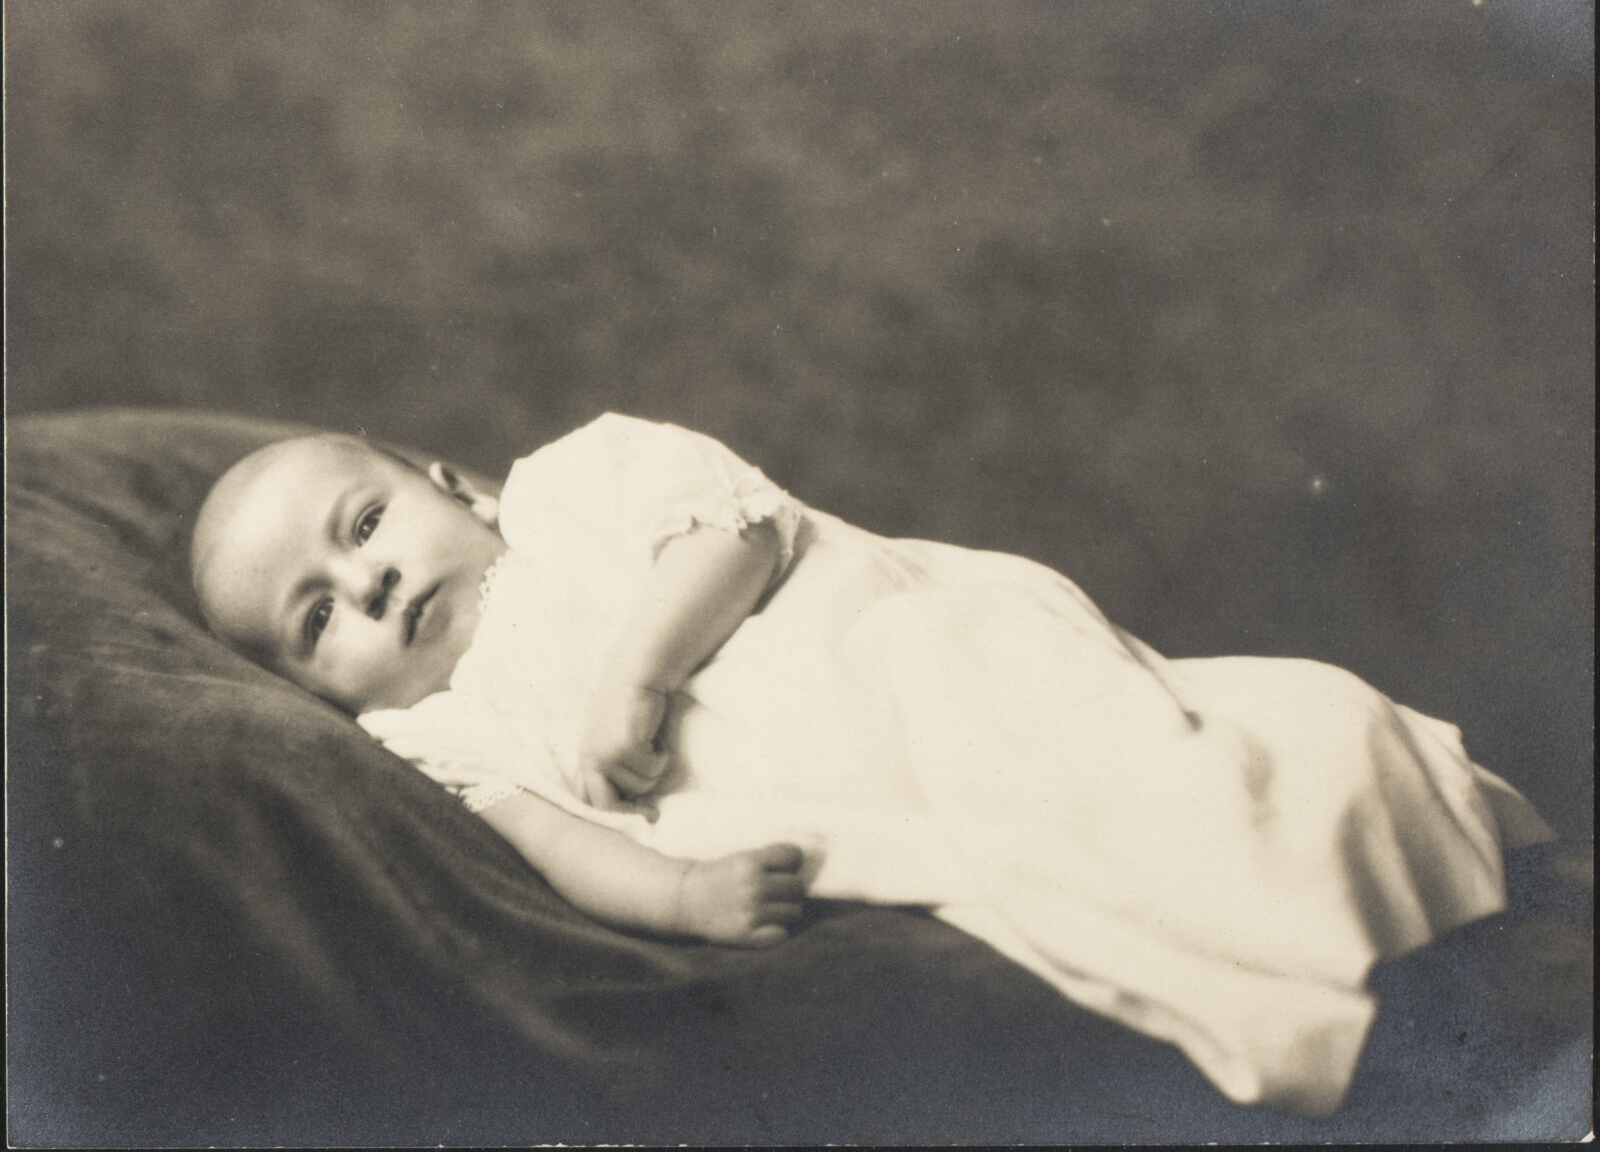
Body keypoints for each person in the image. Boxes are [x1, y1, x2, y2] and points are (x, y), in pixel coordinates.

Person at [190, 411, 1554, 1115]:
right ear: (312, 688)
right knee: (1046, 879)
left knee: (1162, 755)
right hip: (835, 795)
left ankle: (1433, 886)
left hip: (902, 653)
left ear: (446, 482)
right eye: (318, 617)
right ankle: (1388, 992)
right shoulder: (431, 735)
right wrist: (683, 897)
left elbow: (735, 532)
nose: (367, 586)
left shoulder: (570, 486)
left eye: (364, 524)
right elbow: (550, 838)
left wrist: (636, 677)